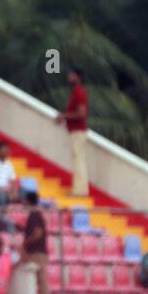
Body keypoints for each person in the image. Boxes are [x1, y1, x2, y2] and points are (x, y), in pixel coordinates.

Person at [57, 66, 89, 196]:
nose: (69, 77)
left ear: (78, 77)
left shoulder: (79, 92)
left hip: (78, 131)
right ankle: (79, 189)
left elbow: (81, 113)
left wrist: (64, 116)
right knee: (77, 159)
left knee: (78, 160)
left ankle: (80, 190)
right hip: (75, 131)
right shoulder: (76, 91)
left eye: (71, 75)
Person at [19, 192, 51, 294]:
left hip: (37, 254)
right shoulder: (36, 215)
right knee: (40, 282)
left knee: (41, 282)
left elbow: (38, 233)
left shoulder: (34, 215)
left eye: (24, 200)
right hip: (39, 253)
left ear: (28, 201)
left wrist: (26, 242)